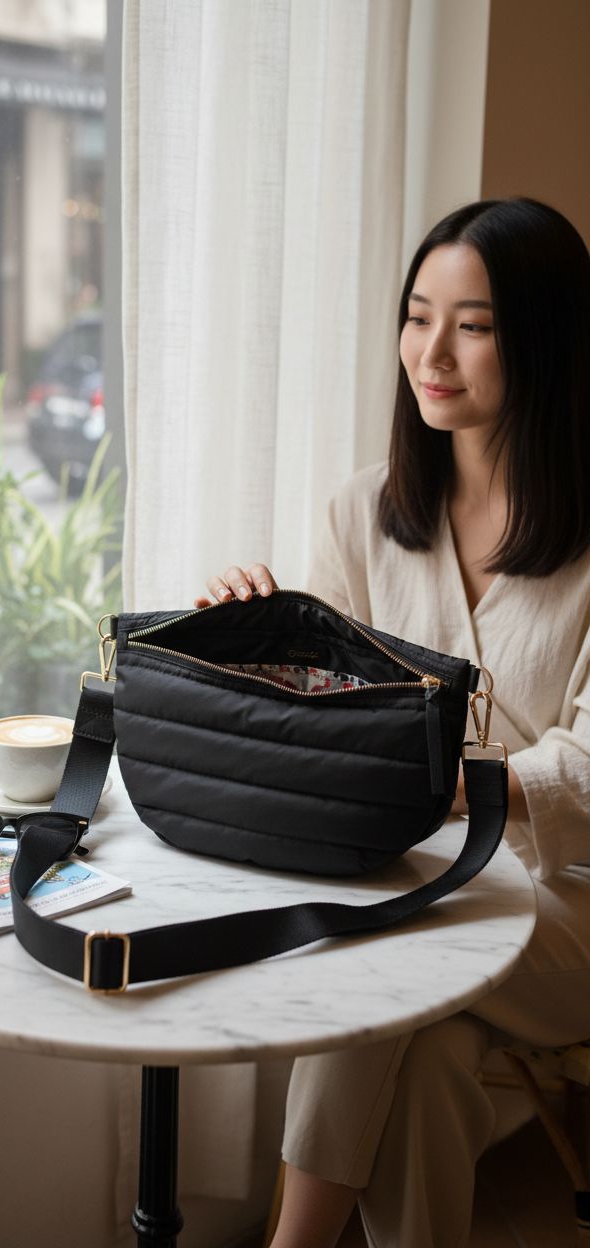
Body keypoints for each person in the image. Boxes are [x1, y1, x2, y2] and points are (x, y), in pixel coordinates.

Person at [195, 198, 590, 1248]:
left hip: (573, 901)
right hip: (430, 874)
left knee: (377, 954)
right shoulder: (362, 512)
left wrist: (448, 786)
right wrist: (258, 637)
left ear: (548, 340)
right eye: (418, 317)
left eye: (475, 325)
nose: (432, 353)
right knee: (427, 1066)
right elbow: (330, 710)